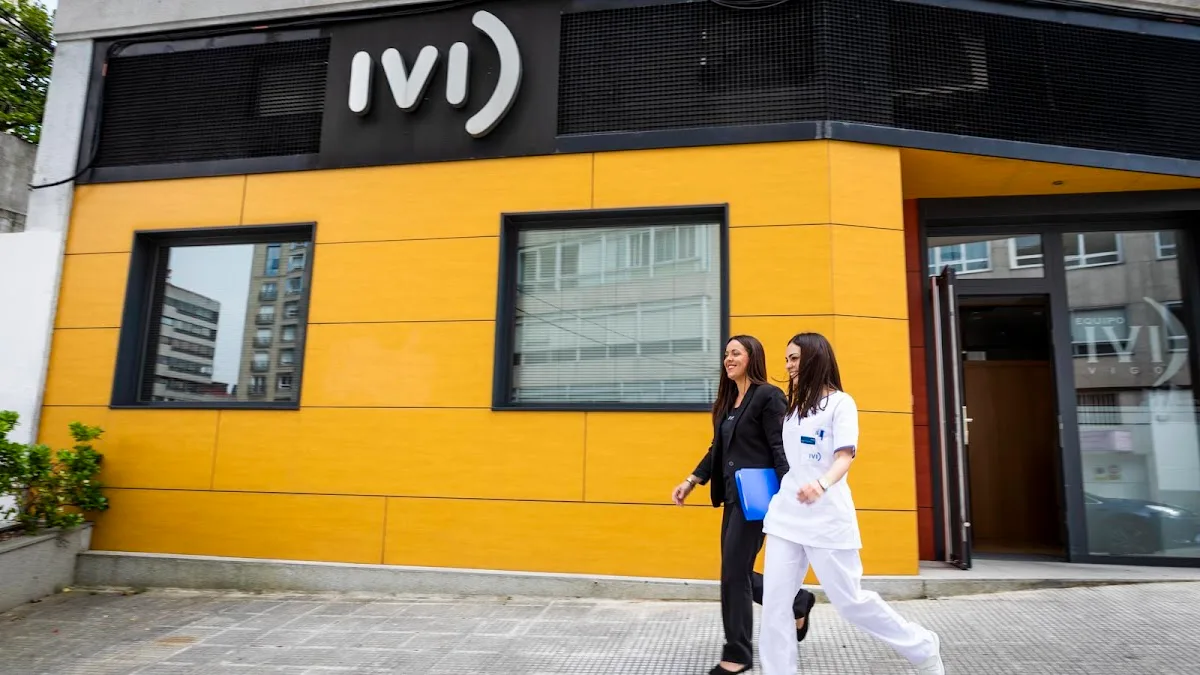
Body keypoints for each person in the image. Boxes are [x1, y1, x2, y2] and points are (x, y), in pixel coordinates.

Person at [759, 333, 945, 675]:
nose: (788, 366)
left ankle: (922, 647)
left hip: (826, 517)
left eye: (794, 358)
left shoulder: (841, 404)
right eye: (786, 359)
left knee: (850, 602)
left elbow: (844, 456)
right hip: (787, 516)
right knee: (774, 604)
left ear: (815, 358)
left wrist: (821, 484)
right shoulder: (794, 408)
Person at [673, 335, 817, 675]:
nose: (728, 358)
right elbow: (717, 449)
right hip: (733, 496)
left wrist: (790, 493)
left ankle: (738, 653)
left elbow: (780, 446)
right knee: (734, 571)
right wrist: (691, 480)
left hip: (759, 498)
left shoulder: (768, 396)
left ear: (752, 357)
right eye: (726, 354)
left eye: (735, 352)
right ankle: (798, 601)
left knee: (734, 573)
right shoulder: (728, 402)